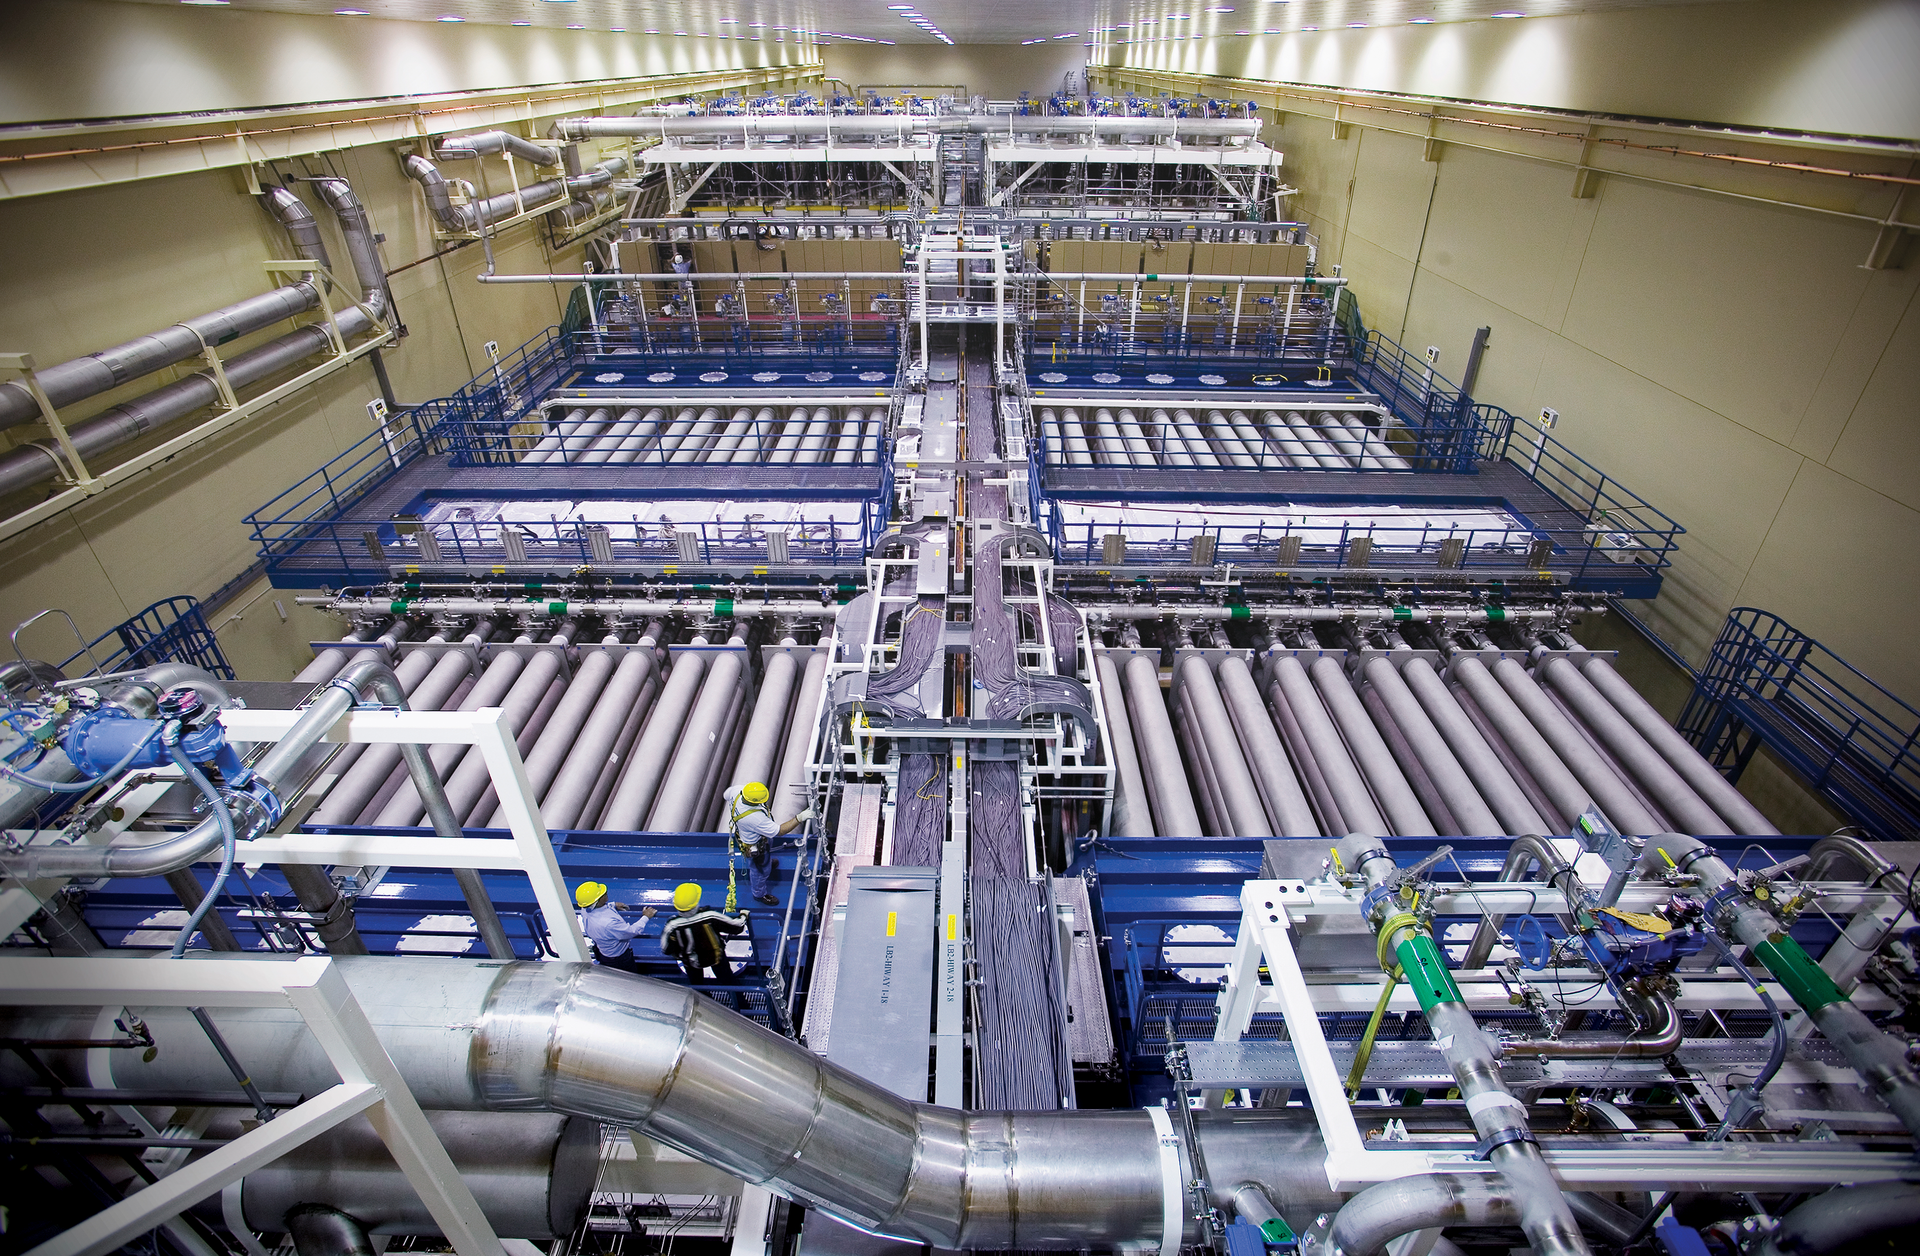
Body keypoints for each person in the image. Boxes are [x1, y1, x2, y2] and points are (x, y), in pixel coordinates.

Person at [724, 782, 814, 906]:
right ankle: (759, 894)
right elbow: (780, 831)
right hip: (755, 843)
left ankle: (768, 863)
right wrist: (799, 818)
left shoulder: (737, 791)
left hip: (752, 835)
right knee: (760, 871)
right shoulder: (755, 818)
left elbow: (726, 794)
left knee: (766, 853)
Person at [659, 882, 747, 983]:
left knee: (697, 985)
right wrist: (743, 915)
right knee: (728, 981)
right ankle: (734, 992)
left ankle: (700, 992)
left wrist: (680, 953)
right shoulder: (710, 916)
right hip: (716, 958)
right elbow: (737, 927)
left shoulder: (672, 925)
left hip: (690, 963)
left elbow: (665, 949)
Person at [574, 881, 655, 974]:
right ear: (597, 901)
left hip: (604, 952)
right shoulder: (608, 923)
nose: (605, 892)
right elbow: (631, 931)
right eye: (602, 894)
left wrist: (613, 905)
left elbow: (598, 907)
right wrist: (646, 916)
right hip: (619, 959)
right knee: (629, 977)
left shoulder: (585, 909)